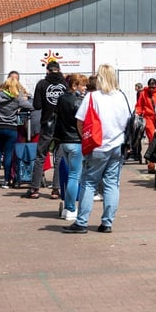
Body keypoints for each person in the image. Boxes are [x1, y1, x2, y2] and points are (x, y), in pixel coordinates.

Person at [63, 63, 133, 234]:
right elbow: (129, 121)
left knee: (88, 182)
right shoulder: (122, 97)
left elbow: (80, 120)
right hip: (117, 145)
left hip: (97, 145)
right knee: (111, 184)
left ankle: (82, 222)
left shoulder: (92, 97)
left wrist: (84, 138)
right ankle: (107, 222)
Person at [24, 60, 67, 199]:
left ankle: (35, 188)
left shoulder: (42, 84)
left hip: (47, 123)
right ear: (59, 69)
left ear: (47, 70)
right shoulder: (65, 84)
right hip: (62, 125)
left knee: (41, 156)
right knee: (59, 158)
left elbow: (36, 105)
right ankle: (56, 189)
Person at [0, 78, 34, 189]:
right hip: (11, 128)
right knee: (8, 155)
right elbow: (31, 107)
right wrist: (18, 108)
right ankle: (6, 181)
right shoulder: (17, 98)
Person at [54, 73, 86, 217]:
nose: (85, 88)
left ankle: (68, 206)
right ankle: (71, 208)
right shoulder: (78, 101)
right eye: (82, 85)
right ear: (74, 85)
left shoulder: (61, 99)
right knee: (74, 176)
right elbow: (81, 122)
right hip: (75, 141)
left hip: (63, 141)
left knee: (70, 175)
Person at [134, 78, 156, 172]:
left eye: (153, 87)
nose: (151, 89)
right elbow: (139, 105)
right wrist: (137, 114)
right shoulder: (143, 93)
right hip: (148, 118)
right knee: (152, 138)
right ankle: (151, 164)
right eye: (150, 87)